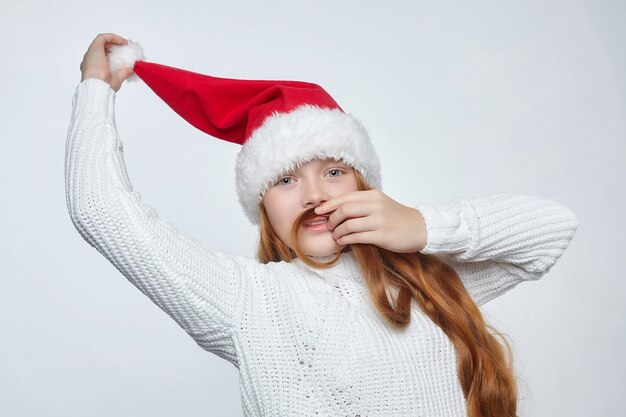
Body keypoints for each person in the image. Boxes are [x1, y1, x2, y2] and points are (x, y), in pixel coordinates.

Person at [66, 33, 578, 417]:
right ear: (263, 208)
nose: (314, 195)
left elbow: (553, 229)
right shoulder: (250, 299)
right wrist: (96, 91)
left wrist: (421, 226)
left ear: (363, 184)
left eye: (333, 171)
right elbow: (100, 209)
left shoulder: (428, 282)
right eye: (286, 180)